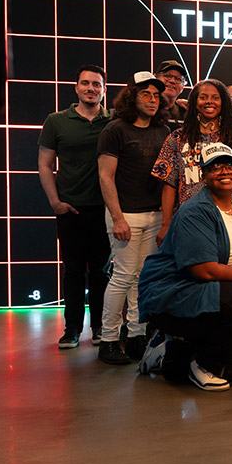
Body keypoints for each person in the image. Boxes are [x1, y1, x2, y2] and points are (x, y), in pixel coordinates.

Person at [137, 143, 232, 391]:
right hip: (177, 289)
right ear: (203, 176)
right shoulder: (195, 211)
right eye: (215, 167)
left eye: (229, 165)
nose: (224, 171)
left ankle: (170, 351)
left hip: (220, 288)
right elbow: (203, 270)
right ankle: (204, 365)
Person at [95, 71, 171, 364]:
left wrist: (165, 220)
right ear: (132, 97)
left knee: (143, 279)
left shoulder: (162, 131)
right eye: (145, 95)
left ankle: (136, 336)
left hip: (153, 215)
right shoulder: (115, 130)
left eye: (156, 96)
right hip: (125, 215)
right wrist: (117, 218)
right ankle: (109, 341)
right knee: (122, 278)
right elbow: (105, 177)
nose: (152, 100)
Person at [37, 64, 112, 350]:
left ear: (104, 89)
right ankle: (71, 329)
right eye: (85, 83)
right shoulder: (56, 121)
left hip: (104, 210)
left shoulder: (113, 121)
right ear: (76, 87)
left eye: (96, 84)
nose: (91, 88)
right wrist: (55, 202)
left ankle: (100, 328)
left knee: (101, 273)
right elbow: (44, 165)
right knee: (72, 271)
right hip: (71, 210)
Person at [151, 78, 232, 246]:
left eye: (215, 97)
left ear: (223, 102)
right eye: (203, 97)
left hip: (229, 218)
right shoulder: (177, 138)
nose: (209, 101)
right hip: (189, 218)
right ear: (194, 102)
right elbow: (169, 183)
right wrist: (166, 225)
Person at [155, 60, 188, 127]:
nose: (172, 81)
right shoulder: (142, 109)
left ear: (182, 87)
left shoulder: (186, 114)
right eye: (167, 76)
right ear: (155, 78)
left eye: (178, 79)